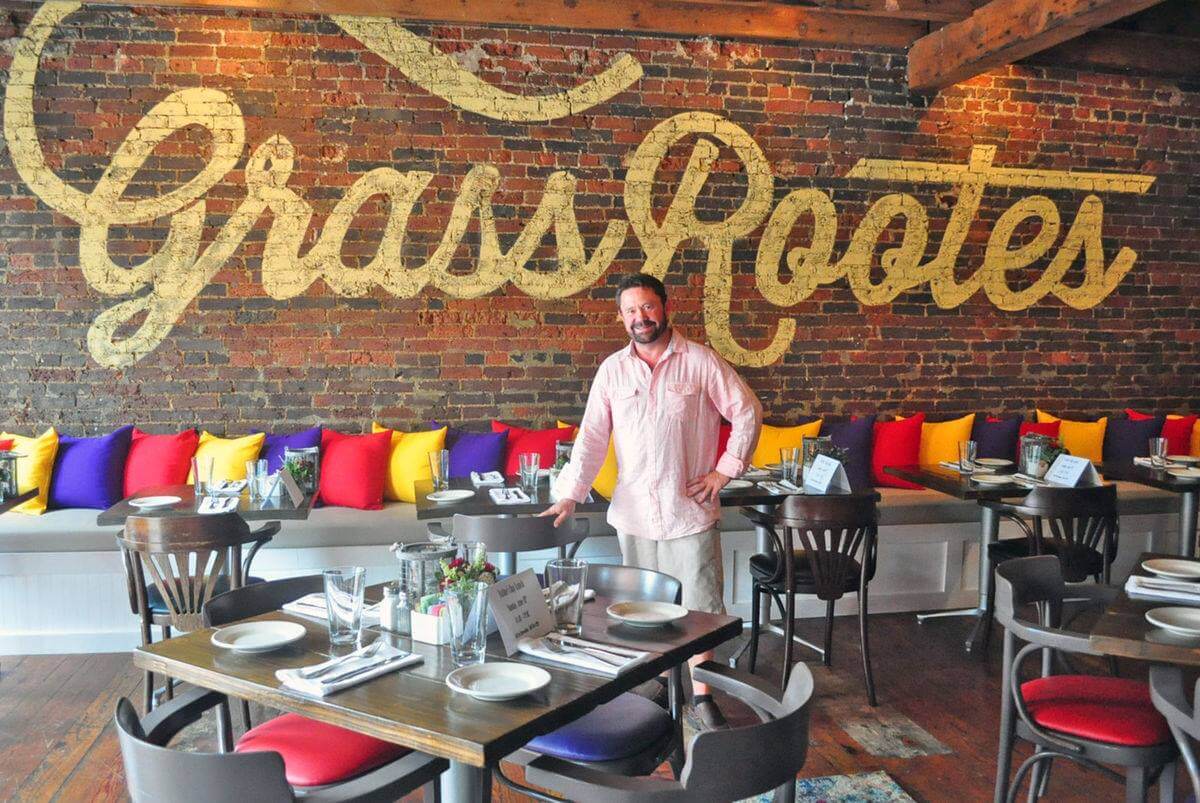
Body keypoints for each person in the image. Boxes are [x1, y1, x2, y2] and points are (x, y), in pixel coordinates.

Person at [541, 272, 762, 730]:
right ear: (621, 317)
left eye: (647, 307)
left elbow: (747, 411)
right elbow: (591, 440)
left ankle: (701, 698)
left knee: (700, 610)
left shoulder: (701, 361)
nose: (640, 317)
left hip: (690, 513)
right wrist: (569, 495)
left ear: (665, 307)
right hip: (635, 516)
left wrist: (726, 470)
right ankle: (662, 686)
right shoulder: (611, 371)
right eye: (630, 310)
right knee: (643, 612)